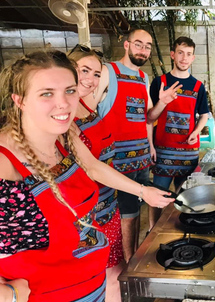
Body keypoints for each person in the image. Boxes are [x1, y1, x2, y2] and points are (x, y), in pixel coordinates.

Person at [0, 51, 173, 301]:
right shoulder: (6, 165)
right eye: (46, 93)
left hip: (94, 287)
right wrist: (12, 295)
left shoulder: (65, 135)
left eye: (69, 91)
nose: (63, 103)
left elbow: (93, 166)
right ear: (20, 100)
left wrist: (143, 191)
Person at [95, 28, 157, 262]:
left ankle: (131, 260)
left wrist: (150, 145)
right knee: (126, 215)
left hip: (141, 158)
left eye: (147, 46)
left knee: (135, 212)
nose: (143, 50)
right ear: (127, 45)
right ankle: (128, 264)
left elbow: (147, 117)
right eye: (138, 44)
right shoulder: (107, 71)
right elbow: (91, 111)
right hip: (115, 163)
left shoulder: (143, 78)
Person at [69, 45, 123, 302]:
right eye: (84, 71)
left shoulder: (85, 105)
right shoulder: (63, 117)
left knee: (114, 273)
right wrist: (143, 190)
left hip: (108, 206)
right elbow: (90, 166)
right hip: (87, 217)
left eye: (97, 74)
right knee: (94, 282)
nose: (90, 80)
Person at [147, 36, 209, 224]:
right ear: (173, 55)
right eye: (180, 53)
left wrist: (196, 132)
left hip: (188, 152)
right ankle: (152, 229)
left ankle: (179, 227)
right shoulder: (160, 82)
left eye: (188, 54)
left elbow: (204, 114)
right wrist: (150, 146)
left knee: (186, 196)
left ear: (193, 58)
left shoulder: (198, 86)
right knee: (158, 195)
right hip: (163, 150)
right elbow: (149, 117)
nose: (184, 58)